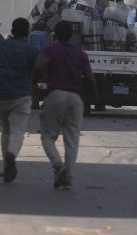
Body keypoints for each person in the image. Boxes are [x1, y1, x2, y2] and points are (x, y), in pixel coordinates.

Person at [32, 21, 98, 190]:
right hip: (76, 98)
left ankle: (57, 165)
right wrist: (94, 97)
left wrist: (34, 83)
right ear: (71, 36)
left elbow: (39, 65)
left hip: (55, 95)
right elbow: (90, 78)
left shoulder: (51, 50)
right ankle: (67, 177)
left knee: (47, 136)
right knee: (72, 140)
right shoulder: (80, 54)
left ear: (55, 34)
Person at [0, 18, 39, 183]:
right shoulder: (32, 50)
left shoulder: (1, 44)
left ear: (12, 30)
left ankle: (6, 165)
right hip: (22, 95)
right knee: (18, 130)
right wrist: (33, 84)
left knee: (6, 129)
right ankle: (11, 155)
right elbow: (39, 69)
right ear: (27, 32)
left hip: (1, 93)